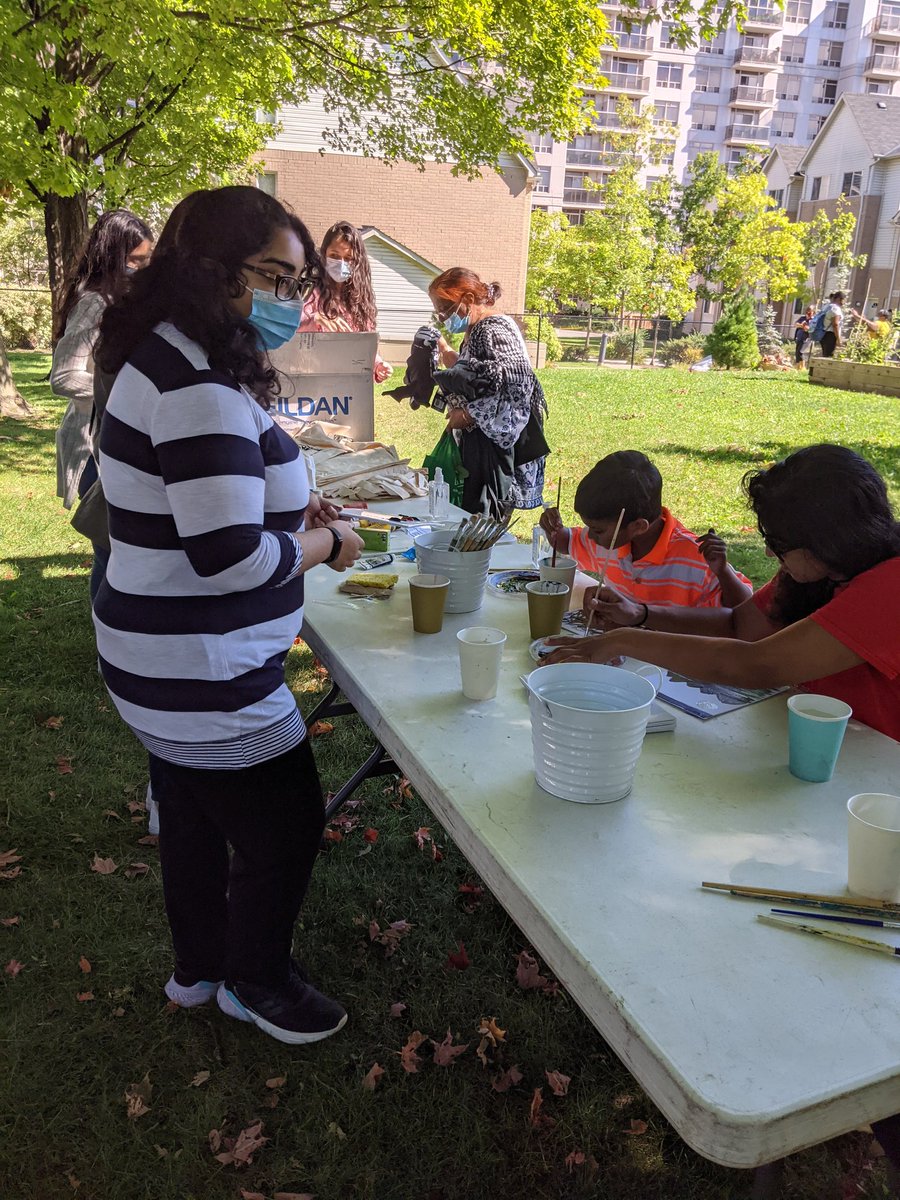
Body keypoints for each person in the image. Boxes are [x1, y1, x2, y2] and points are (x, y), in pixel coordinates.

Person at [93, 185, 365, 1044]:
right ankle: (257, 981)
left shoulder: (171, 353)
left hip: (156, 657)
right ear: (210, 269)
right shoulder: (196, 386)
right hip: (200, 672)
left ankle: (200, 969)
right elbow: (229, 558)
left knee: (193, 816)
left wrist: (287, 509)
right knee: (285, 827)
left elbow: (204, 500)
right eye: (275, 278)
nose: (292, 299)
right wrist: (329, 543)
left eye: (297, 282)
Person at [545, 444, 900, 743]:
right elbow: (738, 625)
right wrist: (641, 614)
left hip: (877, 762)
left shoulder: (889, 587)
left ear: (827, 537)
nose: (768, 554)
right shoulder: (820, 568)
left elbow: (757, 664)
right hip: (822, 741)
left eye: (779, 544)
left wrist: (623, 640)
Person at [540, 451, 752, 611]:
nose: (590, 536)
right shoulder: (610, 539)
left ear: (638, 526)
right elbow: (566, 542)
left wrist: (723, 571)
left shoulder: (694, 557)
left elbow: (745, 608)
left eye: (597, 530)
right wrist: (554, 529)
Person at [51, 209, 153, 531]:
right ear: (111, 257)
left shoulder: (125, 301)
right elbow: (63, 377)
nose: (142, 269)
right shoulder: (94, 304)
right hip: (92, 449)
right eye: (135, 261)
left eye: (147, 260)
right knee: (110, 547)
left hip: (119, 441)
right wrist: (121, 388)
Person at [428, 267, 548, 519]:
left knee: (484, 520)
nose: (443, 317)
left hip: (493, 450)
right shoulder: (477, 327)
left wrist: (468, 414)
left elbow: (516, 386)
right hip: (483, 443)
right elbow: (482, 375)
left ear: (468, 299)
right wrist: (446, 351)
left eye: (446, 309)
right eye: (438, 312)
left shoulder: (492, 329)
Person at [300, 220, 392, 382]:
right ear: (324, 255)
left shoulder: (361, 301)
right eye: (334, 256)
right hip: (314, 382)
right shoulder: (309, 291)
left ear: (357, 261)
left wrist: (378, 365)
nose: (341, 263)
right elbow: (289, 330)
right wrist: (314, 319)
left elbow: (364, 346)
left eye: (348, 258)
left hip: (348, 385)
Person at [819, 291, 844, 358]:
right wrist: (838, 339)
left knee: (825, 355)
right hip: (830, 335)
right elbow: (835, 324)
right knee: (828, 357)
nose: (843, 303)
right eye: (843, 300)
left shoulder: (827, 307)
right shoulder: (835, 308)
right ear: (839, 299)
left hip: (823, 334)